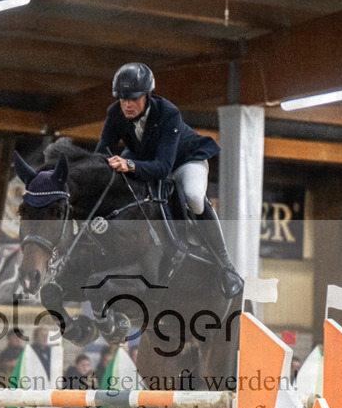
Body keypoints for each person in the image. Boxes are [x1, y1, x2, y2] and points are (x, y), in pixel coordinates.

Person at [96, 62, 243, 298]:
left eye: (133, 98)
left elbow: (164, 167)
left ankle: (226, 266)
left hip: (184, 161)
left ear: (147, 95)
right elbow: (101, 153)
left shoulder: (168, 113)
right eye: (123, 98)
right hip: (146, 160)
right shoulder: (115, 113)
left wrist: (130, 165)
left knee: (193, 196)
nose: (127, 104)